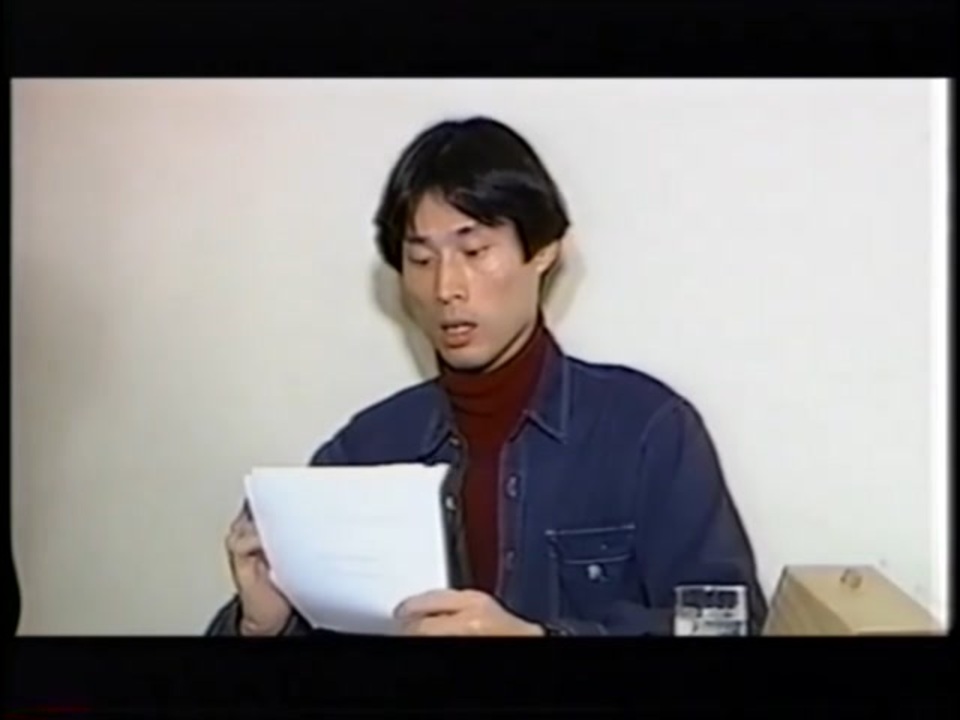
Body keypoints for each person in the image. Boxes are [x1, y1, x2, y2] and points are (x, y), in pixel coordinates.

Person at [206, 116, 767, 637]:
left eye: (474, 250)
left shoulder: (647, 430)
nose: (446, 287)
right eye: (421, 260)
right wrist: (261, 626)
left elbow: (729, 624)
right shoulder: (365, 450)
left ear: (543, 251)